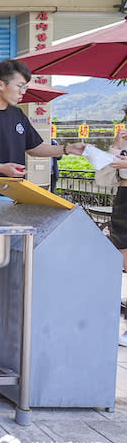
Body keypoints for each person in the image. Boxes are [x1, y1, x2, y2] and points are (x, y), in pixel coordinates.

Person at [0, 59, 85, 195]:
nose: (23, 92)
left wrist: (67, 149)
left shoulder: (17, 114)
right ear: (1, 85)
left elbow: (34, 147)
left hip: (18, 194)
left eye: (25, 88)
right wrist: (0, 168)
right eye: (20, 86)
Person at [97, 128, 127, 346]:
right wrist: (115, 148)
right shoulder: (123, 143)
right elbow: (103, 178)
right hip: (123, 203)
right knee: (120, 263)